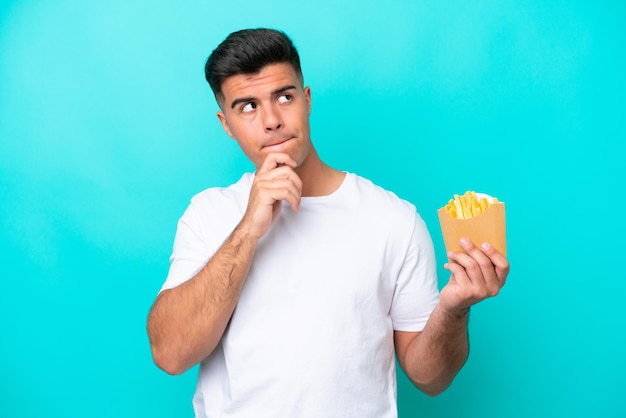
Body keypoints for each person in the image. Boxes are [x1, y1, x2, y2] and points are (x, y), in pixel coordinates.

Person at [147, 28, 509, 418]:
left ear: (306, 101)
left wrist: (454, 308)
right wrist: (249, 228)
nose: (271, 120)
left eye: (283, 97)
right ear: (226, 124)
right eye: (247, 106)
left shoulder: (392, 219)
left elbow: (430, 379)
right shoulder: (208, 214)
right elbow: (170, 354)